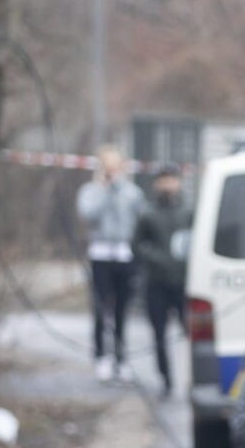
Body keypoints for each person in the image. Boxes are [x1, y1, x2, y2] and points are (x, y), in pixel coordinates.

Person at [74, 145, 146, 384]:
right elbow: (88, 214)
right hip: (101, 253)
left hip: (124, 254)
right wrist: (106, 191)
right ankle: (101, 356)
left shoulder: (132, 192)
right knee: (100, 307)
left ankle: (121, 358)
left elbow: (139, 221)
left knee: (121, 310)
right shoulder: (91, 191)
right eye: (107, 166)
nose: (112, 171)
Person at [131, 164, 193, 400]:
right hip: (156, 283)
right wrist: (156, 258)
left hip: (184, 283)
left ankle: (193, 380)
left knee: (192, 335)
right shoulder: (148, 213)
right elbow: (136, 245)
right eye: (163, 180)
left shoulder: (188, 211)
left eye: (171, 179)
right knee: (159, 335)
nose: (168, 185)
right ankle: (166, 379)